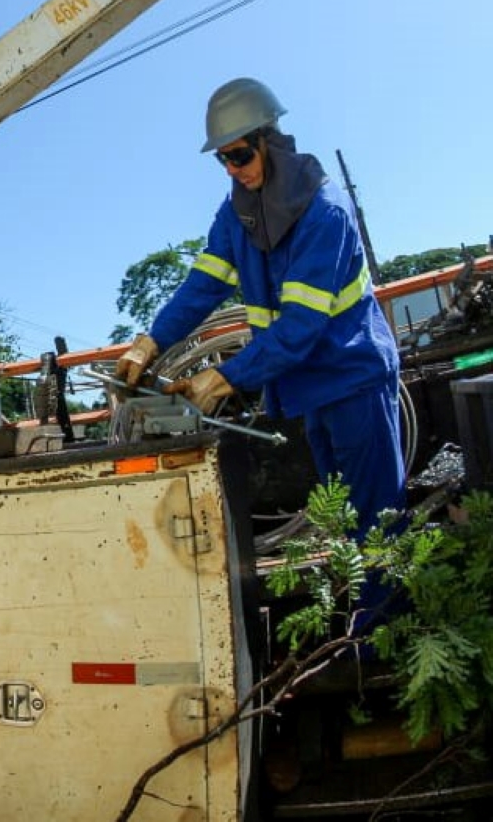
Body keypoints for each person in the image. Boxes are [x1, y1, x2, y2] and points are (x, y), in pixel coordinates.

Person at [115, 77, 405, 538]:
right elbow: (202, 286)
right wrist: (149, 343)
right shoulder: (238, 215)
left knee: (375, 518)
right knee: (342, 520)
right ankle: (366, 609)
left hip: (353, 378)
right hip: (309, 384)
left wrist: (223, 377)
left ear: (270, 142)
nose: (232, 169)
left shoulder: (323, 212)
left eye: (240, 155)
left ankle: (385, 611)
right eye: (223, 159)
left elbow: (301, 326)